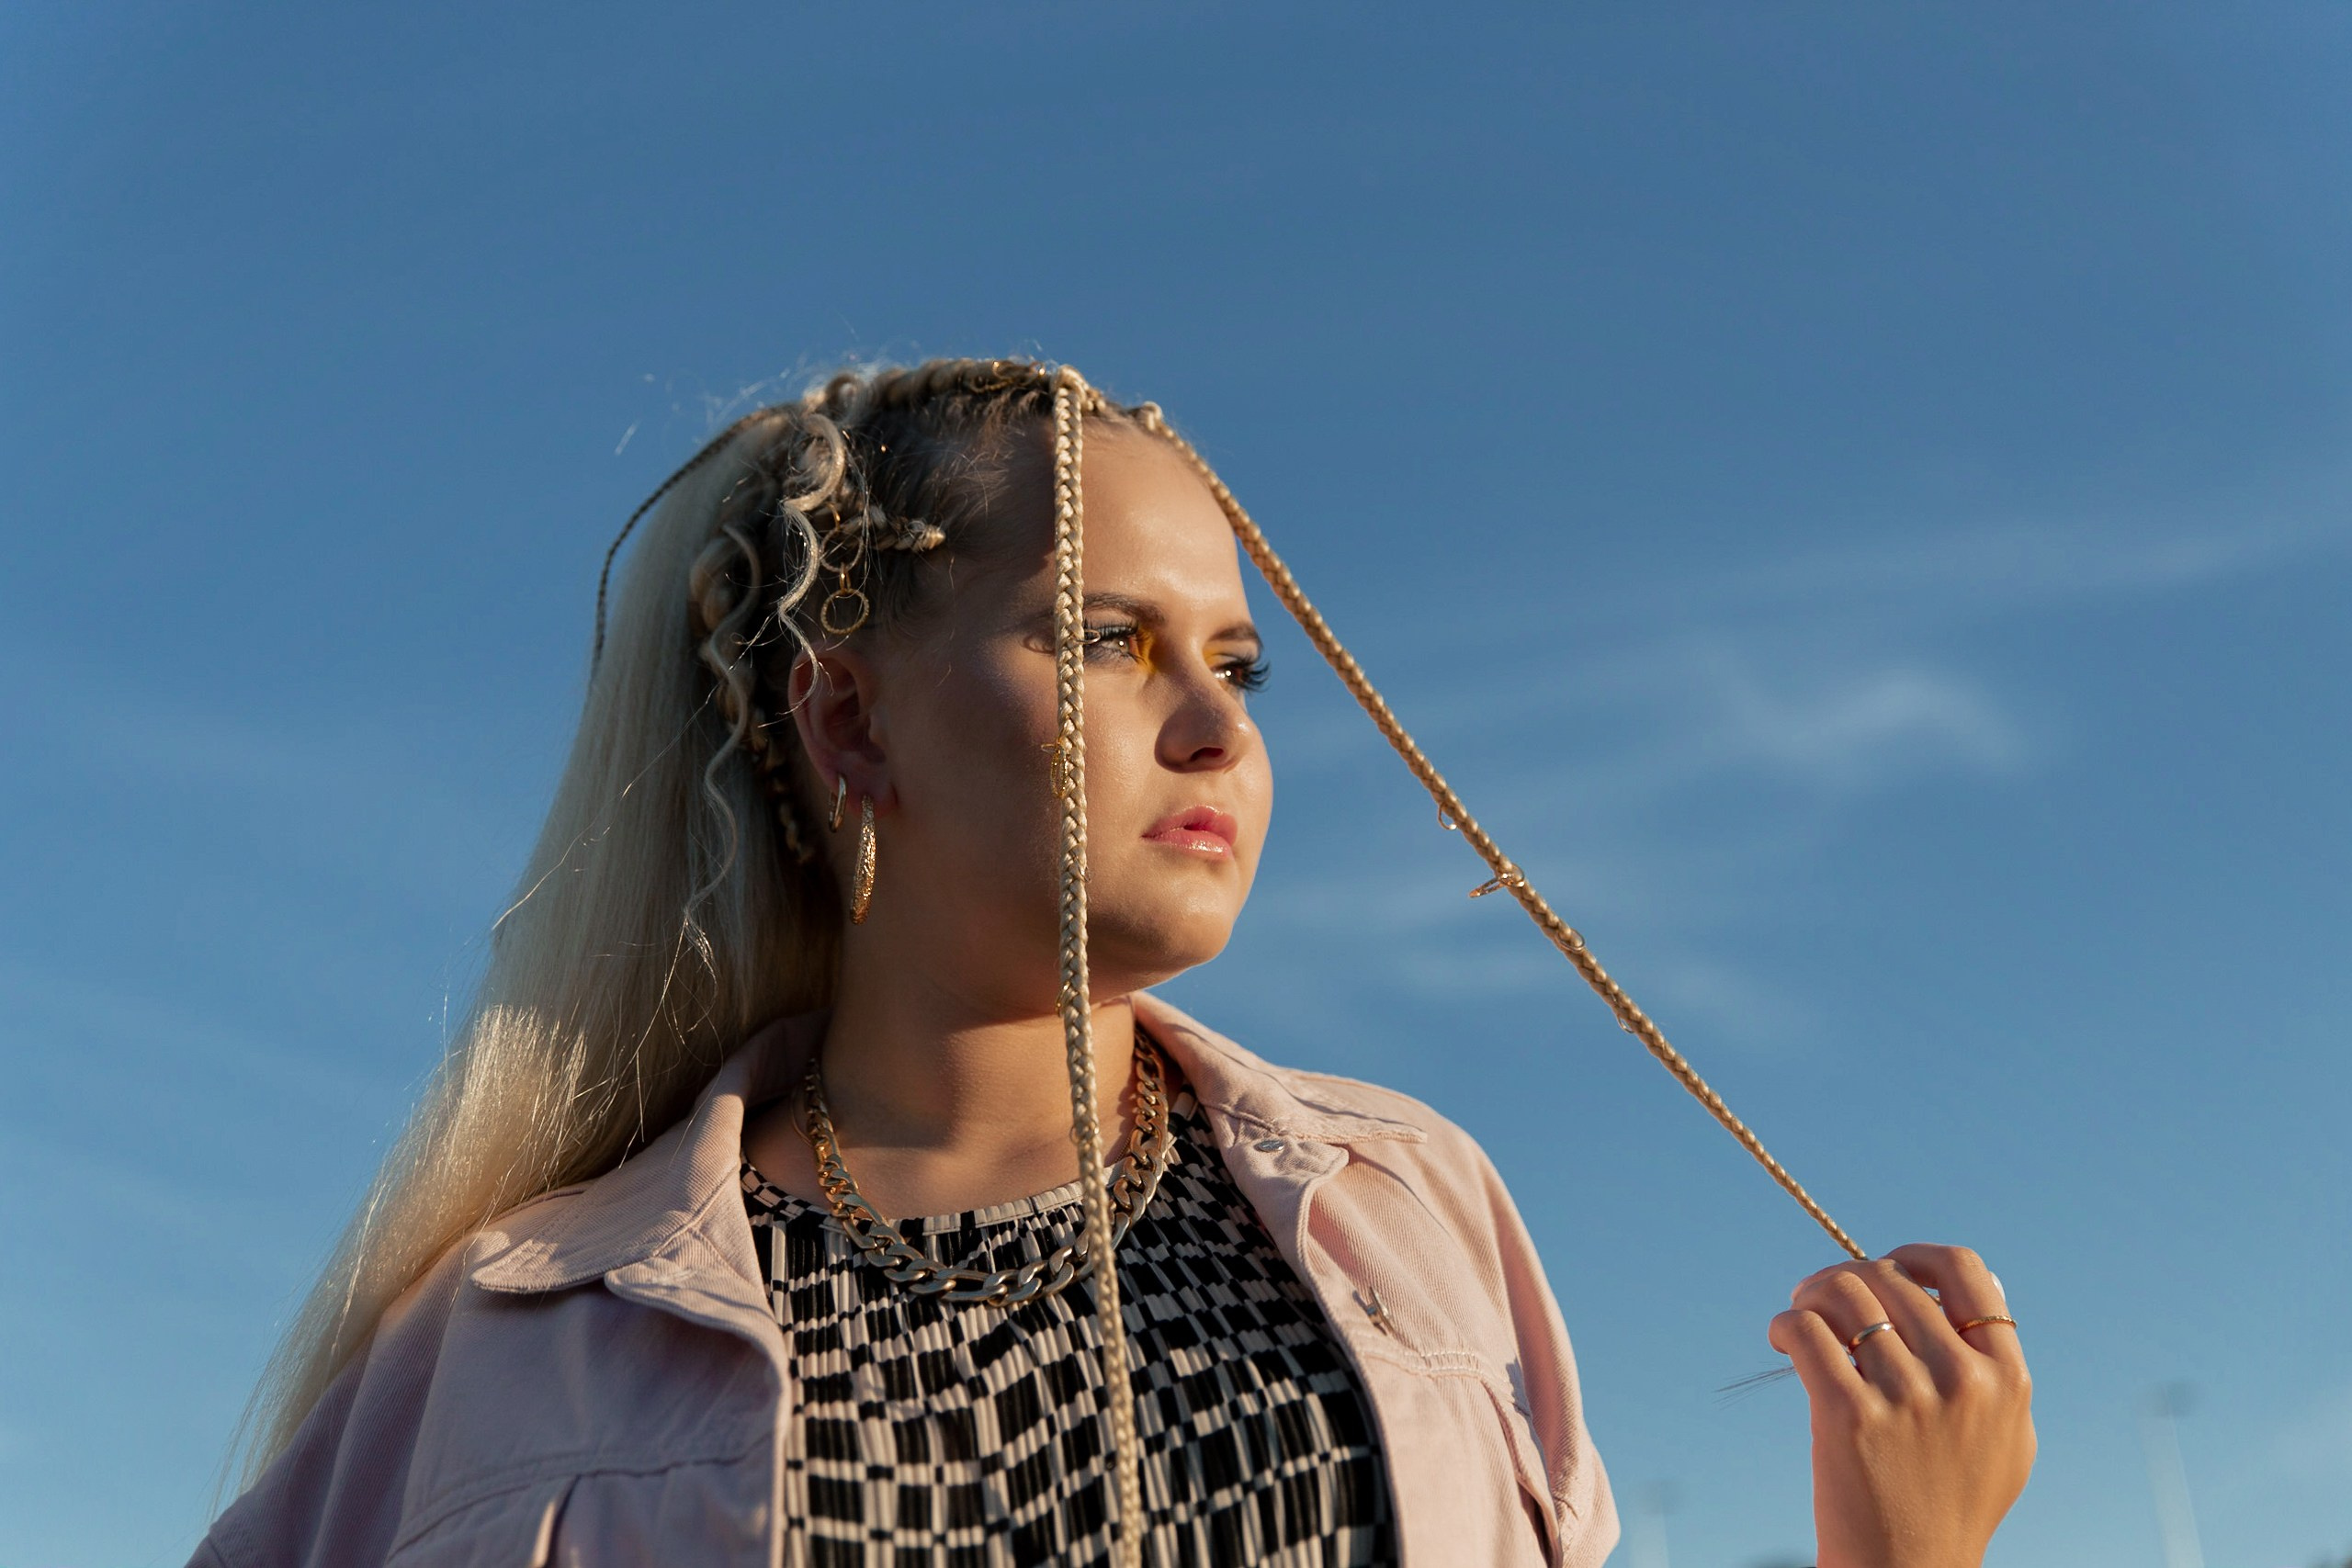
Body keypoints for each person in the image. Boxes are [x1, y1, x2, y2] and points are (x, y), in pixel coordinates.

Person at [192, 359, 2034, 1568]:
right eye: (1106, 637)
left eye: (1233, 665)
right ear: (850, 723)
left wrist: (1901, 1552)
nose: (1213, 733)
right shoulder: (501, 1339)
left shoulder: (1418, 1212)